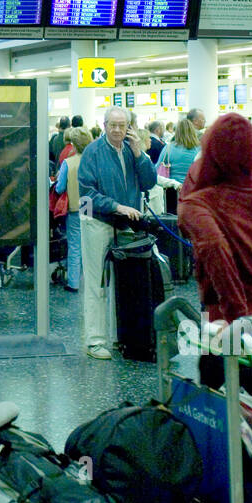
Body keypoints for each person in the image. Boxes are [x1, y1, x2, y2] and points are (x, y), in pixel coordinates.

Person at [179, 113, 252, 409]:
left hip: (225, 324)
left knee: (215, 424)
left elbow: (215, 250)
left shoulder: (197, 204)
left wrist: (236, 314)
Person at [76, 106, 157, 360]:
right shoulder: (93, 152)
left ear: (129, 127)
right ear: (105, 125)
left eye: (123, 125)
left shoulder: (133, 151)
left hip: (125, 226)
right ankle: (95, 340)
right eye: (113, 125)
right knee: (96, 283)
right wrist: (116, 206)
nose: (118, 130)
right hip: (98, 222)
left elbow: (149, 182)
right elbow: (86, 194)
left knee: (125, 282)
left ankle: (121, 336)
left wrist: (140, 154)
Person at [53, 126, 93, 293]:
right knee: (89, 243)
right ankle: (90, 279)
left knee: (75, 245)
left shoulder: (68, 163)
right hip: (89, 204)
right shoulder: (93, 161)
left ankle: (73, 283)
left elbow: (60, 188)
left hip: (74, 206)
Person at [155, 118, 201, 185]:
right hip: (192, 186)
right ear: (193, 131)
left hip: (173, 188)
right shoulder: (198, 149)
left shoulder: (168, 147)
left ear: (176, 132)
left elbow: (157, 168)